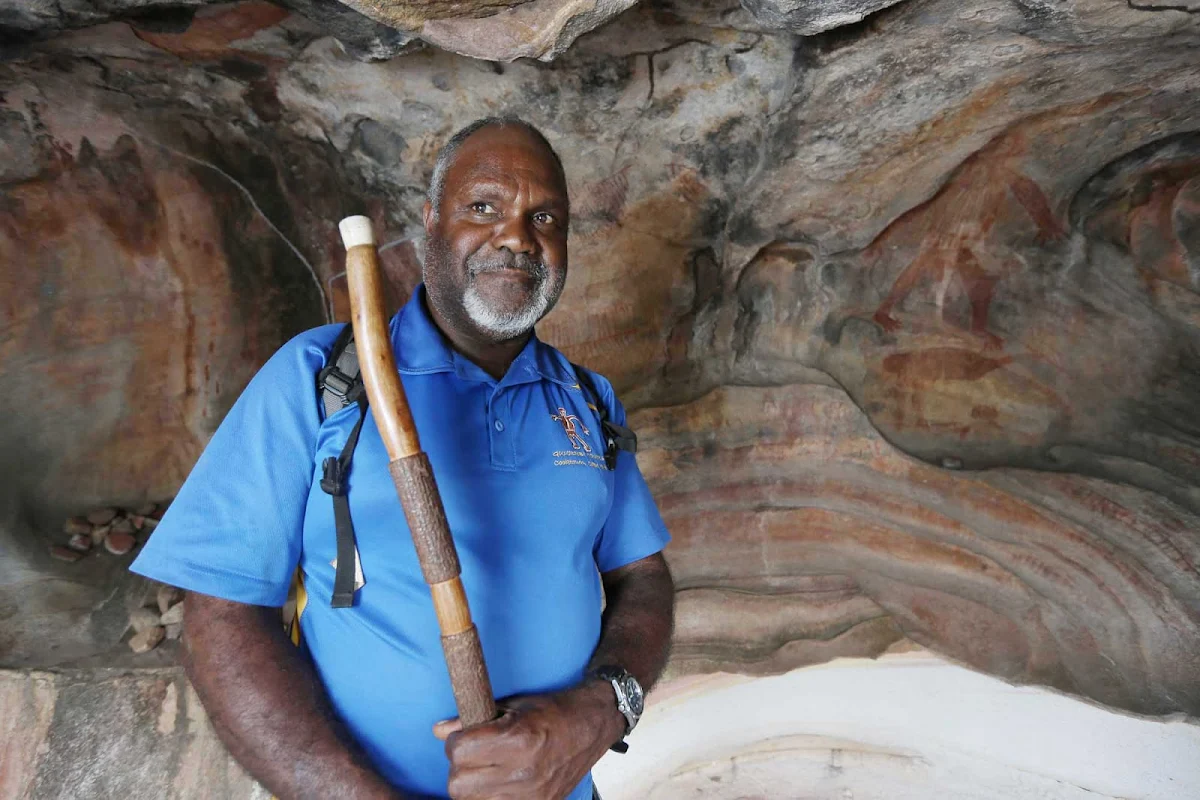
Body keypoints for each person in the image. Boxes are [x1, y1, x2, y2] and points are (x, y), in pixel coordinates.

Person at [130, 116, 675, 800]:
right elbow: (221, 614)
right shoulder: (319, 378)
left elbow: (643, 578)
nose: (516, 235)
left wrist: (600, 712)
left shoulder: (590, 402)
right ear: (429, 224)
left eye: (545, 217)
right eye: (483, 207)